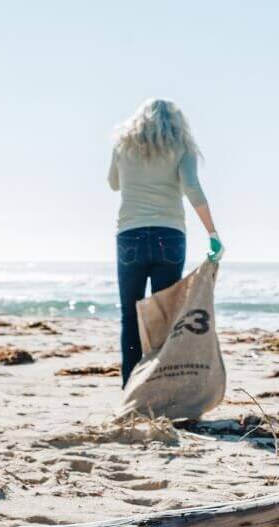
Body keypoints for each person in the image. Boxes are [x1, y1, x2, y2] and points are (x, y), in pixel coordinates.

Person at [108, 98, 224, 385]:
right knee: (164, 318)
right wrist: (212, 233)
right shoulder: (182, 146)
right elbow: (191, 187)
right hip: (168, 236)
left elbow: (113, 183)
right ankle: (159, 389)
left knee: (130, 317)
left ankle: (130, 391)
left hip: (130, 235)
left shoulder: (123, 145)